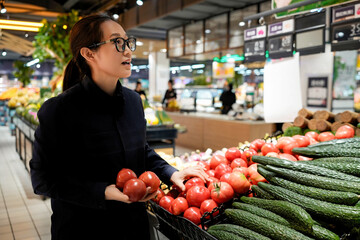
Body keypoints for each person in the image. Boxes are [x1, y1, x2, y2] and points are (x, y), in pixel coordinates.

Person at [30, 14, 208, 240]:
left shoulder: (134, 102)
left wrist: (171, 173)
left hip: (133, 226)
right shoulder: (59, 111)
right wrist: (103, 191)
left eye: (128, 41)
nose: (128, 50)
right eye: (117, 42)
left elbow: (141, 150)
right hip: (82, 228)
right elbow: (43, 179)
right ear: (88, 53)